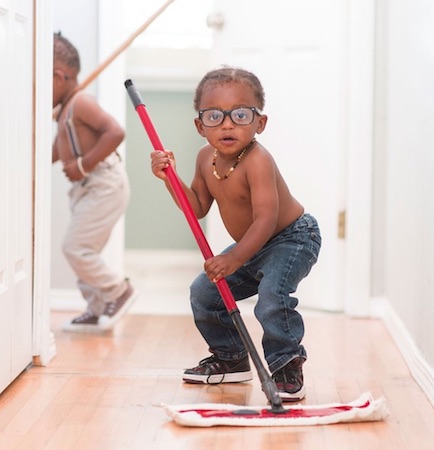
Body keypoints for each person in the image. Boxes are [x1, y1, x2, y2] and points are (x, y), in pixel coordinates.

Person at [149, 67, 321, 401]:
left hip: (291, 238)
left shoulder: (258, 161)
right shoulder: (205, 159)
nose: (227, 124)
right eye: (214, 116)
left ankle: (286, 364)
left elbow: (266, 220)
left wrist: (233, 258)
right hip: (252, 245)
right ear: (200, 126)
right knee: (205, 293)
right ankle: (231, 358)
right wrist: (169, 177)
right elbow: (197, 207)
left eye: (240, 115)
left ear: (260, 123)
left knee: (272, 297)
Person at [52, 33, 135, 332]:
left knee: (75, 247)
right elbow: (58, 148)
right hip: (86, 188)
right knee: (85, 249)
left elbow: (115, 132)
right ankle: (96, 305)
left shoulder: (80, 103)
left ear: (59, 77)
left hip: (104, 183)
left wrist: (83, 165)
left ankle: (117, 291)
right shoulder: (64, 110)